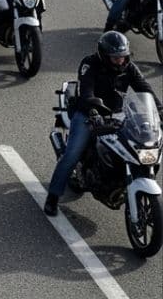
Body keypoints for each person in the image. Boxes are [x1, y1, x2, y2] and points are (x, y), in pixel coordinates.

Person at [44, 31, 160, 216]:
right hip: (89, 113)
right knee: (72, 154)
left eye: (123, 56)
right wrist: (93, 111)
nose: (120, 61)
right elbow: (87, 91)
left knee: (139, 143)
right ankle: (53, 197)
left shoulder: (129, 67)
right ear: (104, 55)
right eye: (115, 58)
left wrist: (159, 110)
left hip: (118, 114)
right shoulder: (90, 64)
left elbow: (145, 89)